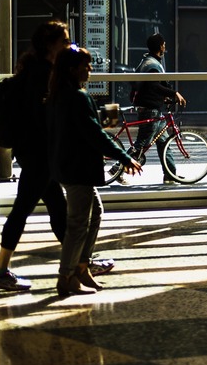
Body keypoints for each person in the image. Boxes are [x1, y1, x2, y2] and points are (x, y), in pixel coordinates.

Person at [47, 45, 141, 298]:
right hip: (77, 168)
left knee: (95, 212)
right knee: (78, 224)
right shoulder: (77, 96)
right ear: (72, 69)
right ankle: (67, 276)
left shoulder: (59, 94)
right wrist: (124, 156)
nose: (90, 68)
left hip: (66, 166)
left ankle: (81, 266)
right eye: (85, 65)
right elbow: (94, 134)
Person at [0, 21, 71, 292]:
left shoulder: (31, 69)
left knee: (58, 207)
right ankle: (0, 270)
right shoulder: (44, 74)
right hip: (39, 154)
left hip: (31, 151)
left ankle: (79, 261)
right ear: (50, 45)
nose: (68, 45)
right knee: (23, 209)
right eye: (64, 41)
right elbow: (42, 118)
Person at [132, 33, 186, 176]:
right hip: (150, 110)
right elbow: (154, 86)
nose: (165, 47)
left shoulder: (147, 61)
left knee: (164, 143)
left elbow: (148, 87)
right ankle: (117, 169)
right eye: (164, 44)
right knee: (141, 145)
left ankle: (170, 175)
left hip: (153, 108)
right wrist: (173, 93)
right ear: (161, 46)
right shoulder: (153, 65)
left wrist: (164, 98)